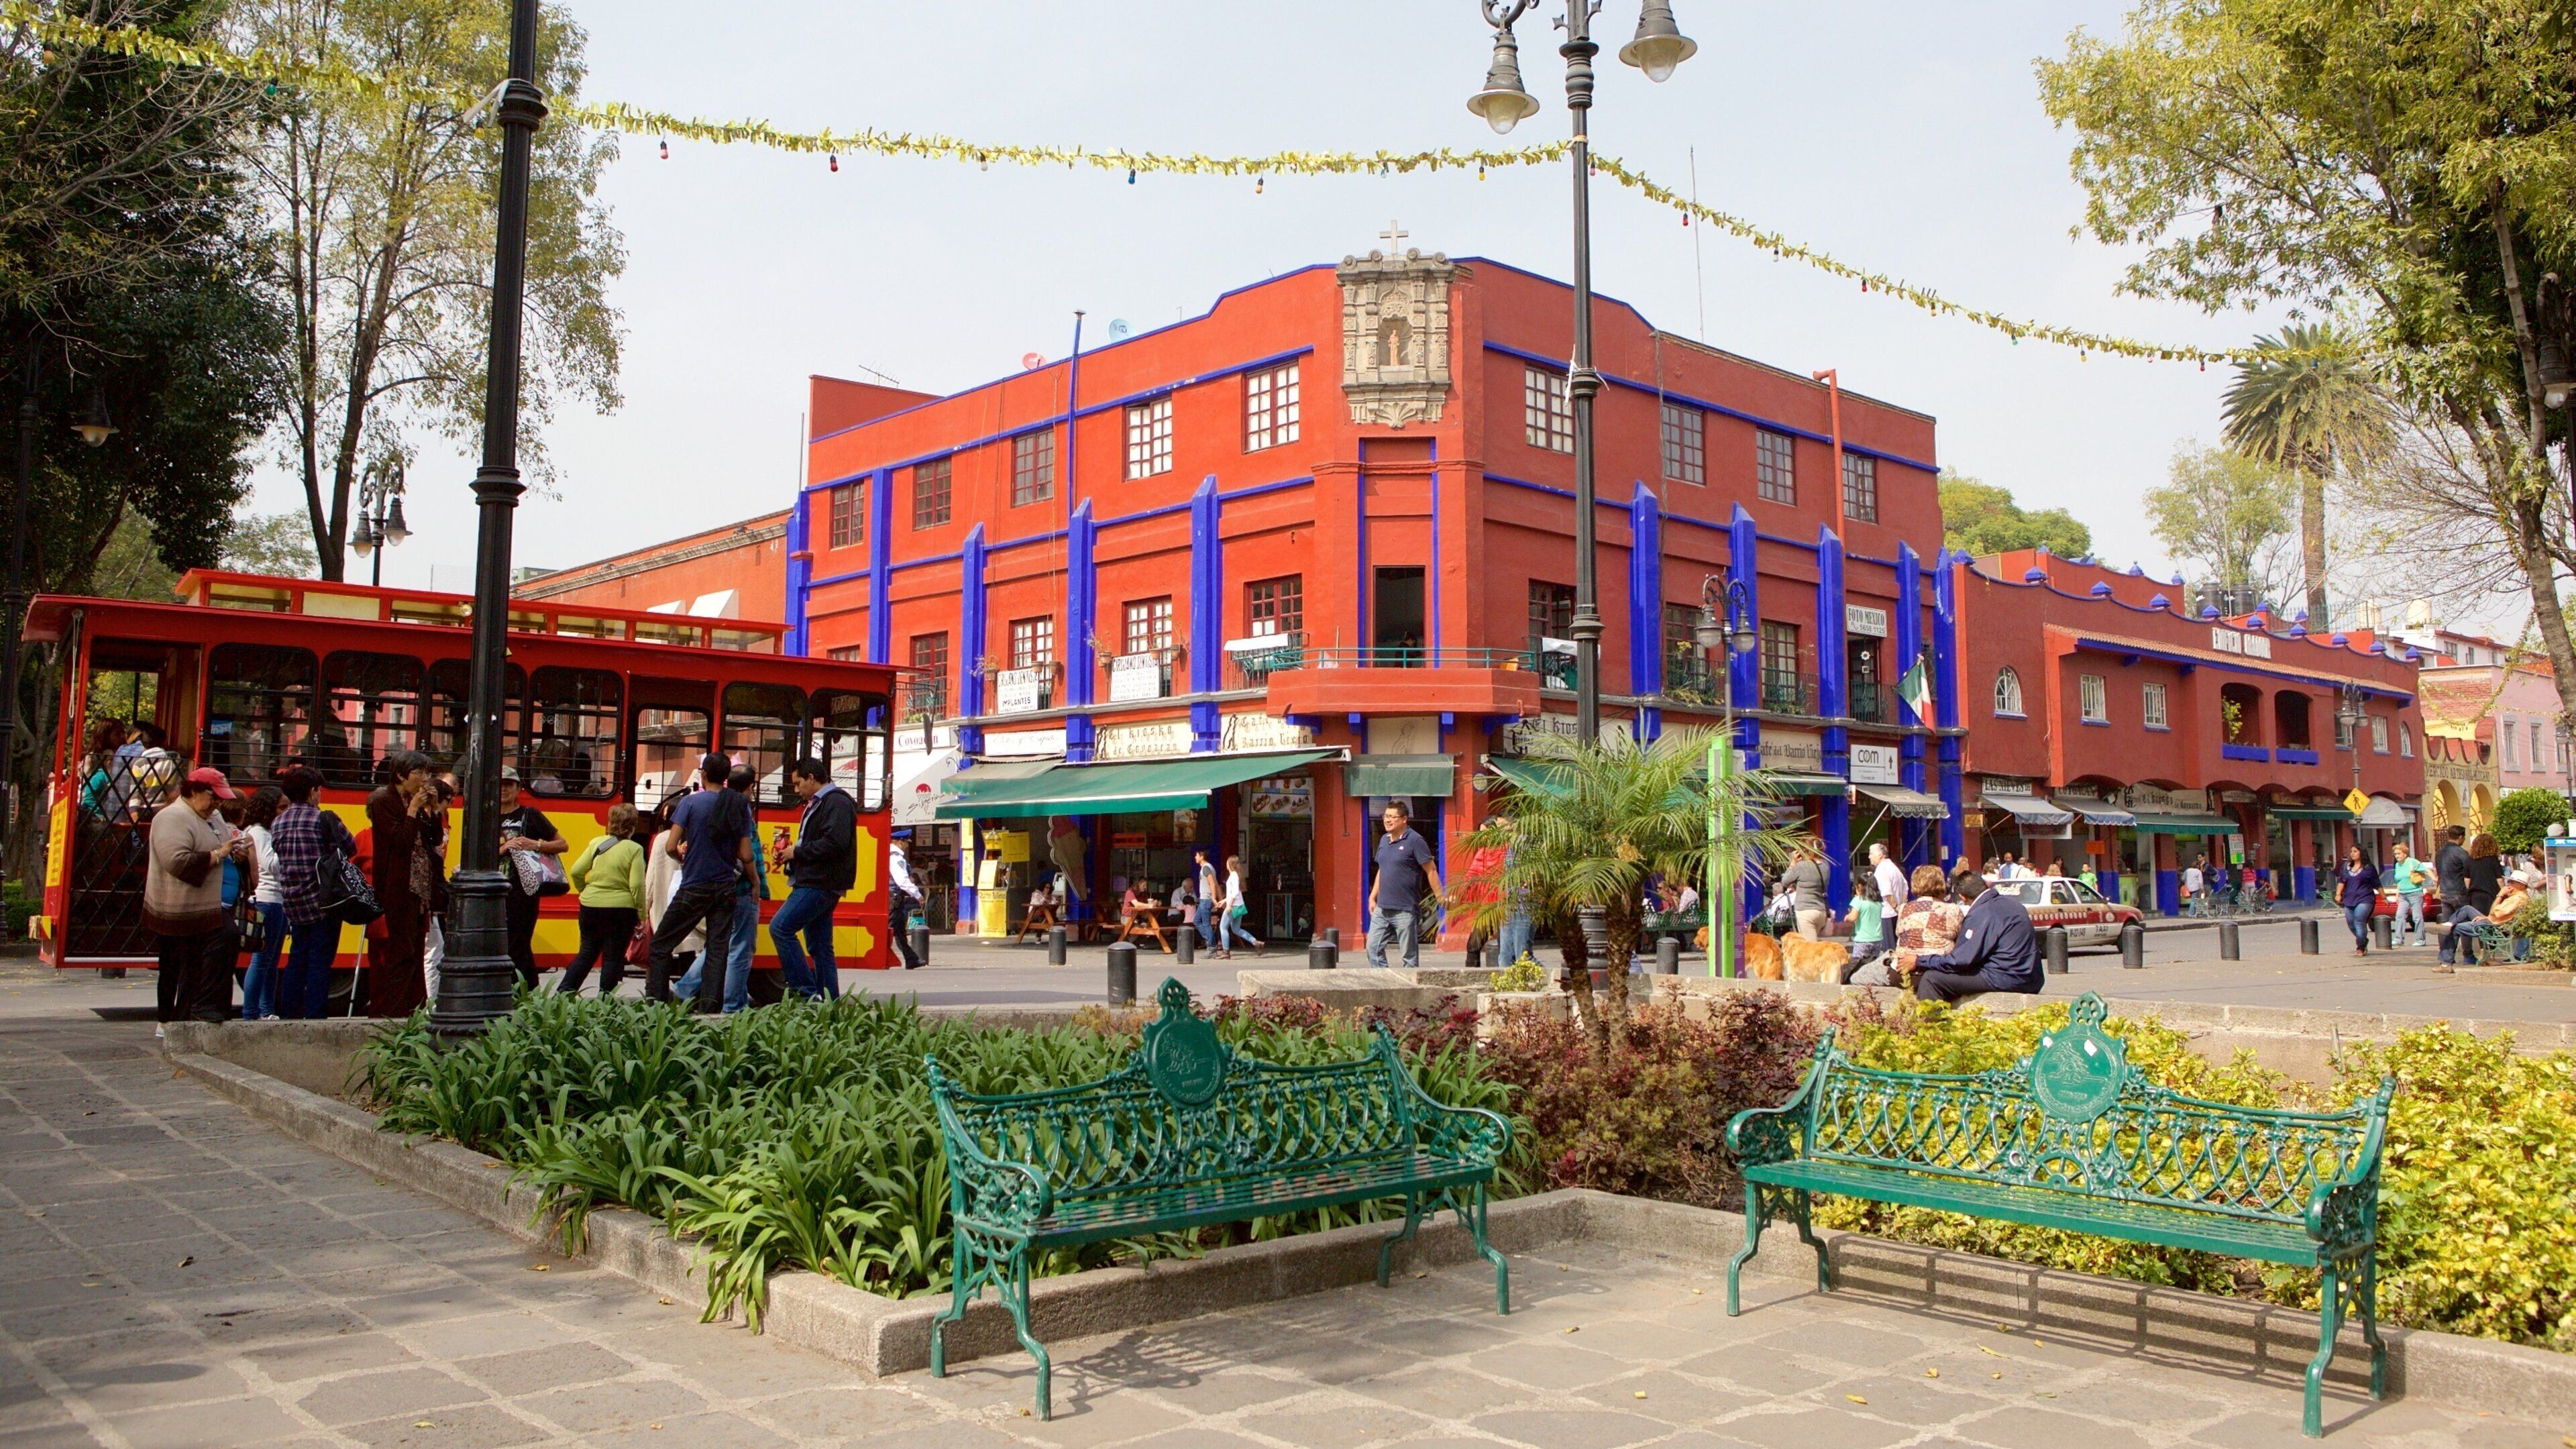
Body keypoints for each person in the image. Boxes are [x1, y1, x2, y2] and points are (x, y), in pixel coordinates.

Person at [146, 768, 250, 1030]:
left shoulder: (213, 816)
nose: (216, 804)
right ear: (192, 792)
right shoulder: (171, 818)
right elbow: (176, 861)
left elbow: (225, 844)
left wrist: (235, 852)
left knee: (204, 955)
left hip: (208, 905)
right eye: (212, 796)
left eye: (219, 799)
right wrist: (219, 854)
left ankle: (195, 1012)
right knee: (176, 964)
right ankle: (171, 1019)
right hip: (177, 906)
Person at [651, 753, 751, 1011]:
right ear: (726, 777)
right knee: (718, 950)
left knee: (661, 945)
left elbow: (671, 846)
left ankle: (658, 1006)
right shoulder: (739, 805)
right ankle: (710, 1010)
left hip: (695, 885)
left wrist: (684, 858)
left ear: (703, 775)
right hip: (726, 887)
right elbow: (745, 855)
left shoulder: (690, 804)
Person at [269, 765, 356, 1020]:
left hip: (293, 900)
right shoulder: (323, 818)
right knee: (320, 961)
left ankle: (290, 1014)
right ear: (311, 792)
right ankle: (315, 1016)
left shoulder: (279, 821)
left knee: (297, 959)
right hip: (324, 900)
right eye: (318, 789)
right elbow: (350, 847)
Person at [364, 751, 443, 1018]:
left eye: (425, 773)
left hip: (420, 887)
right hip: (399, 887)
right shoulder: (382, 801)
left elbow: (433, 838)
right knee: (402, 952)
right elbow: (399, 841)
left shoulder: (414, 800)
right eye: (418, 773)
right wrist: (411, 811)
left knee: (416, 950)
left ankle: (414, 1009)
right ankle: (391, 1013)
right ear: (400, 775)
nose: (424, 779)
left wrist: (433, 810)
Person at [773, 756, 853, 1000]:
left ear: (811, 778)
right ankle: (829, 1002)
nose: (797, 791)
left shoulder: (836, 802)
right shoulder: (822, 803)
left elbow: (834, 843)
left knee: (780, 928)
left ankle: (808, 994)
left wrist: (796, 852)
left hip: (820, 882)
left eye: (798, 784)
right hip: (818, 880)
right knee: (820, 947)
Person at [1900, 866, 2041, 1003]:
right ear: (1985, 885)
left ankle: (1934, 1026)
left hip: (2005, 977)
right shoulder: (2013, 905)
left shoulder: (1981, 913)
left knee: (1931, 979)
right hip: (2031, 977)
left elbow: (1959, 961)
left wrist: (1919, 961)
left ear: (1962, 896)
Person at [561, 804, 647, 997]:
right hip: (621, 910)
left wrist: (585, 890)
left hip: (591, 906)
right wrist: (641, 913)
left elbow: (576, 871)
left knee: (587, 951)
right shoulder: (635, 849)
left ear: (610, 823)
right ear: (632, 827)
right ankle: (606, 1002)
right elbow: (636, 885)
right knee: (614, 957)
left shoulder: (596, 843)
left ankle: (564, 993)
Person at [496, 768, 566, 992]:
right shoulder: (485, 817)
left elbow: (562, 844)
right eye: (500, 784)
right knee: (500, 944)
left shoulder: (530, 815)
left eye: (509, 784)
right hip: (493, 891)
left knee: (519, 944)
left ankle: (525, 992)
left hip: (524, 891)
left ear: (518, 789)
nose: (504, 789)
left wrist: (535, 844)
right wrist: (504, 848)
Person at [1365, 803, 1441, 969]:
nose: (1387, 820)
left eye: (1392, 817)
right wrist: (1372, 897)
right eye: (1386, 816)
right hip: (1382, 909)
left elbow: (1431, 870)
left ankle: (1410, 990)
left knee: (1409, 957)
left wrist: (1440, 897)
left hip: (1405, 909)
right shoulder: (1384, 841)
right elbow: (1382, 870)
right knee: (1372, 948)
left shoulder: (1415, 841)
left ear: (1404, 819)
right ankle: (1385, 984)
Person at [239, 786, 288, 1020]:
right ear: (268, 809)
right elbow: (272, 865)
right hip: (267, 899)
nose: (285, 812)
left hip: (275, 900)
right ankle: (252, 1012)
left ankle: (266, 1011)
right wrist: (288, 849)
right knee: (263, 960)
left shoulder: (262, 831)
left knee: (271, 961)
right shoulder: (259, 833)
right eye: (282, 808)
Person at [644, 812, 704, 997]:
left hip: (665, 904)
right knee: (689, 952)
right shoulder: (697, 835)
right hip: (691, 903)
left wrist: (644, 907)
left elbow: (652, 876)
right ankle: (690, 997)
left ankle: (657, 995)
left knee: (662, 950)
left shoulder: (662, 839)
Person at [1216, 853, 1265, 958]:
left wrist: (1228, 905)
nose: (1226, 863)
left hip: (1233, 907)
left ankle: (1226, 952)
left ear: (1230, 864)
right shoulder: (1235, 875)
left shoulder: (1233, 876)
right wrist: (1224, 900)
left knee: (1223, 927)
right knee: (1236, 929)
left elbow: (1234, 893)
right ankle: (1256, 942)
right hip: (1239, 906)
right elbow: (1235, 893)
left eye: (1227, 861)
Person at [1837, 876, 1886, 982]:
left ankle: (1855, 983)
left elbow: (1853, 917)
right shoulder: (1878, 902)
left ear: (1860, 886)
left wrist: (1846, 917)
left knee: (1856, 965)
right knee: (1872, 965)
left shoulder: (1858, 900)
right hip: (1877, 939)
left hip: (1863, 940)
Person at [2337, 847, 2381, 955]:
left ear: (2362, 853)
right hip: (2349, 899)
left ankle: (2360, 948)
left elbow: (2377, 884)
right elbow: (2341, 881)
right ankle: (2363, 941)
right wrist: (2338, 894)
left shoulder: (2369, 868)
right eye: (2351, 851)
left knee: (2359, 922)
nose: (2352, 853)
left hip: (2365, 899)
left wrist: (2384, 897)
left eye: (2355, 851)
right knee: (2351, 924)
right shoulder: (2346, 867)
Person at [2385, 841, 2430, 948]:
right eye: (2395, 854)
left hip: (2415, 893)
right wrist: (2397, 893)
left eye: (2399, 854)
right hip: (2403, 895)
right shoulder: (2397, 865)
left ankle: (2420, 939)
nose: (2397, 856)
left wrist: (2435, 879)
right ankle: (2398, 939)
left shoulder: (2412, 862)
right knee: (2400, 916)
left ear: (2405, 854)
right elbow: (2399, 881)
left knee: (2417, 917)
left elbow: (2426, 870)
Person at [888, 837, 924, 970]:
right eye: (907, 843)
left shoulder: (892, 856)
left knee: (899, 931)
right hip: (894, 899)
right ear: (900, 842)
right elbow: (902, 881)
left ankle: (911, 959)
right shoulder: (895, 858)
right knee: (889, 930)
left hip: (894, 899)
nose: (908, 846)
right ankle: (878, 956)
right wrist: (918, 895)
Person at [1778, 847, 1829, 939]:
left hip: (1805, 911)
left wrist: (1793, 863)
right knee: (1813, 944)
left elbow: (1785, 882)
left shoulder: (1801, 866)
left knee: (1810, 947)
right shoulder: (1826, 865)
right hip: (1821, 910)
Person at [1191, 847, 1222, 953]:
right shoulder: (1210, 868)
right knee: (1196, 921)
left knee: (1206, 924)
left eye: (1197, 855)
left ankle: (1212, 945)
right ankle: (1210, 941)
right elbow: (1217, 884)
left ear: (1202, 856)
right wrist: (1221, 899)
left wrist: (1213, 898)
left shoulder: (1206, 868)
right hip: (1204, 900)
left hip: (1206, 899)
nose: (1195, 857)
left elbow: (1213, 883)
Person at [1869, 841, 1909, 912]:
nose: (1869, 857)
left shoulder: (1882, 870)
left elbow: (1887, 892)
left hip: (1886, 914)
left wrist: (1896, 907)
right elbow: (1905, 886)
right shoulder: (1894, 867)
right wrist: (1902, 906)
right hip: (1896, 912)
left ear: (1880, 855)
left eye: (1871, 854)